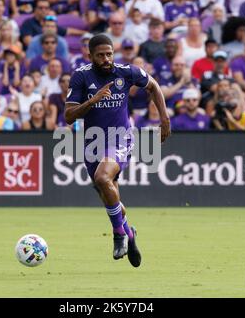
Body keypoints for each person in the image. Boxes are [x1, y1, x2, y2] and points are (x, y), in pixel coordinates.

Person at [64, 34, 170, 267]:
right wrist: (92, 101)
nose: (106, 59)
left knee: (103, 178)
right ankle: (129, 234)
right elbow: (69, 116)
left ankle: (118, 235)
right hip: (93, 142)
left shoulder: (126, 72)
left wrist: (164, 119)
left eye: (109, 54)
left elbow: (153, 86)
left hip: (120, 138)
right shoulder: (81, 77)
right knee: (108, 194)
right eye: (100, 55)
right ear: (90, 55)